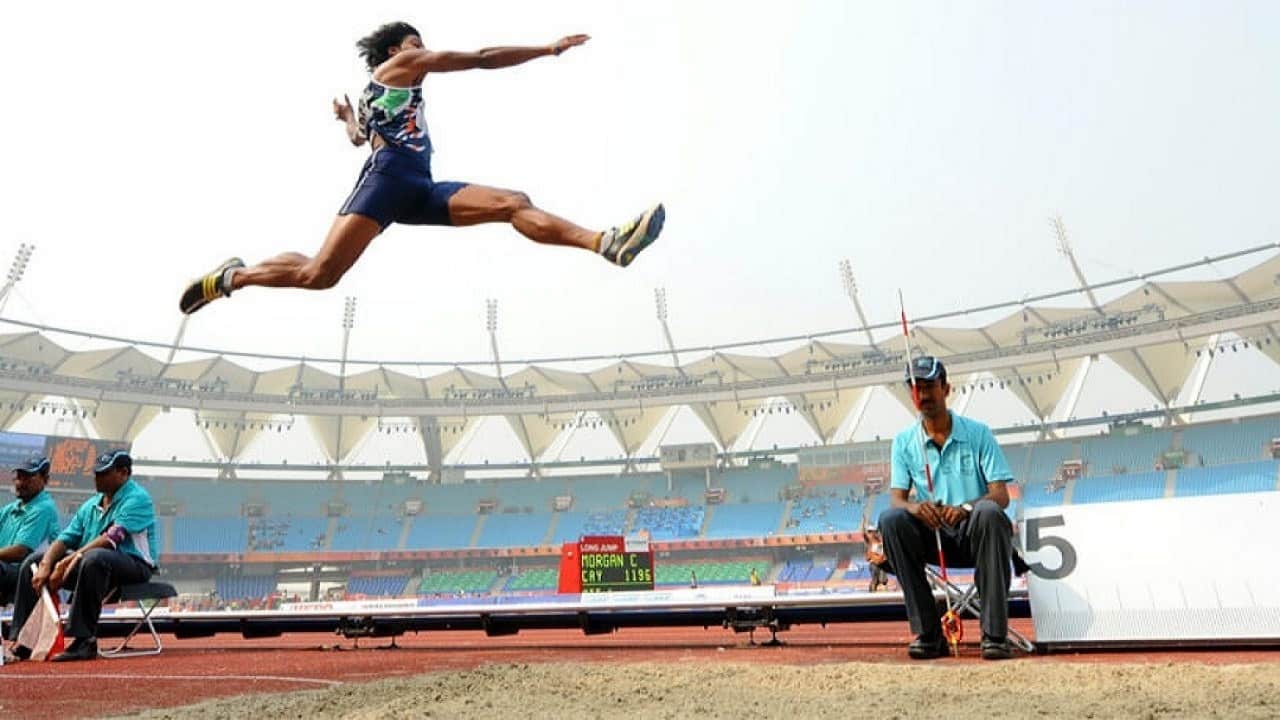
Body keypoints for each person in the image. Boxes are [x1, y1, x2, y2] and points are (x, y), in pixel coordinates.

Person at [180, 21, 665, 315]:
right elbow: (478, 59)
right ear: (396, 51)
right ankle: (230, 279)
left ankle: (605, 243)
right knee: (319, 275)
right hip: (388, 178)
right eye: (416, 43)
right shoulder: (398, 68)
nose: (425, 52)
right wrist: (547, 49)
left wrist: (348, 118)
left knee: (512, 203)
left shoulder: (377, 96)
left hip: (418, 186)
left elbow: (358, 137)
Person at [879, 356, 1016, 661]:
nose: (923, 396)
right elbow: (898, 499)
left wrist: (966, 508)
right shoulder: (903, 442)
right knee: (891, 520)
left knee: (989, 512)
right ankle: (928, 634)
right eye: (916, 389)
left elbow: (1001, 495)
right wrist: (917, 509)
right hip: (933, 537)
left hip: (976, 535)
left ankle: (995, 635)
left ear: (946, 388)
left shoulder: (978, 433)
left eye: (929, 387)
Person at [7, 451, 157, 662]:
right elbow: (65, 539)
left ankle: (84, 641)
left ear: (123, 473)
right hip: (92, 565)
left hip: (134, 565)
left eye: (104, 473)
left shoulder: (138, 499)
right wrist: (47, 564)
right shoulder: (91, 505)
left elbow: (111, 539)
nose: (97, 478)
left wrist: (66, 562)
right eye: (96, 473)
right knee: (34, 561)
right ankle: (25, 640)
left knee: (96, 556)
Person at [0, 456, 60, 607]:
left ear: (45, 479)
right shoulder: (10, 510)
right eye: (19, 477)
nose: (20, 483)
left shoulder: (44, 508)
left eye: (28, 477)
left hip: (30, 573)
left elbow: (20, 551)